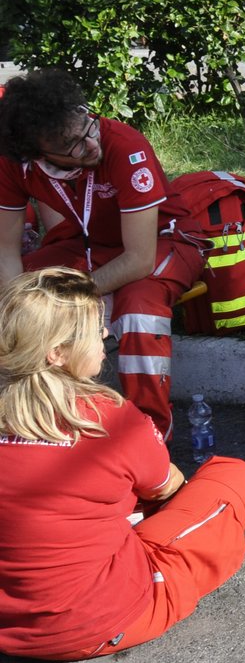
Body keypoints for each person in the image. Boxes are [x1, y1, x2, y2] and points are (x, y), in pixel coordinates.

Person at [0, 268, 245, 661]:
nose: (105, 336)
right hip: (98, 622)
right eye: (95, 330)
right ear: (56, 352)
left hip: (8, 625)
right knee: (235, 478)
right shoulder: (108, 417)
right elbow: (167, 490)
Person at [0, 69, 204, 438]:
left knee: (140, 307)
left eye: (88, 126)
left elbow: (139, 259)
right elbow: (5, 253)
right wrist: (21, 312)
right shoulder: (12, 164)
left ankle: (152, 429)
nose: (91, 144)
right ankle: (33, 414)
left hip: (165, 240)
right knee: (25, 291)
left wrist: (67, 299)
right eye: (73, 146)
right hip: (87, 241)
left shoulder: (124, 145)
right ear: (36, 153)